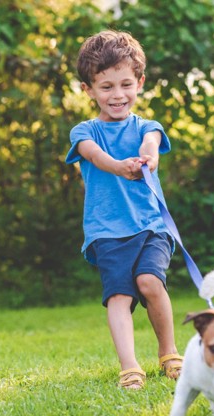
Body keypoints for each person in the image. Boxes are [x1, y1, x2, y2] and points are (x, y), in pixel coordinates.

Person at [65, 30, 182, 390]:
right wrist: (119, 166)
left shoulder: (149, 127)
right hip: (107, 232)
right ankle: (130, 366)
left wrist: (147, 158)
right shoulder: (84, 132)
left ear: (140, 83)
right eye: (106, 87)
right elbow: (94, 156)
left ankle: (169, 352)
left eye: (126, 84)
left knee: (149, 282)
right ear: (88, 89)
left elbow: (152, 144)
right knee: (119, 295)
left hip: (150, 225)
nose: (117, 95)